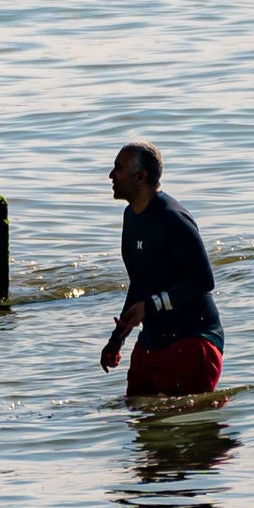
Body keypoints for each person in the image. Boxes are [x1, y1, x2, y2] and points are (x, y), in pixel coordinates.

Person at [99, 142, 223, 399]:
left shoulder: (172, 218)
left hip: (193, 341)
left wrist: (151, 306)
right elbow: (138, 284)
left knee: (188, 424)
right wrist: (117, 338)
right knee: (137, 420)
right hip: (151, 342)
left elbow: (204, 280)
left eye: (118, 168)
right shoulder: (130, 217)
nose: (111, 175)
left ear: (140, 177)